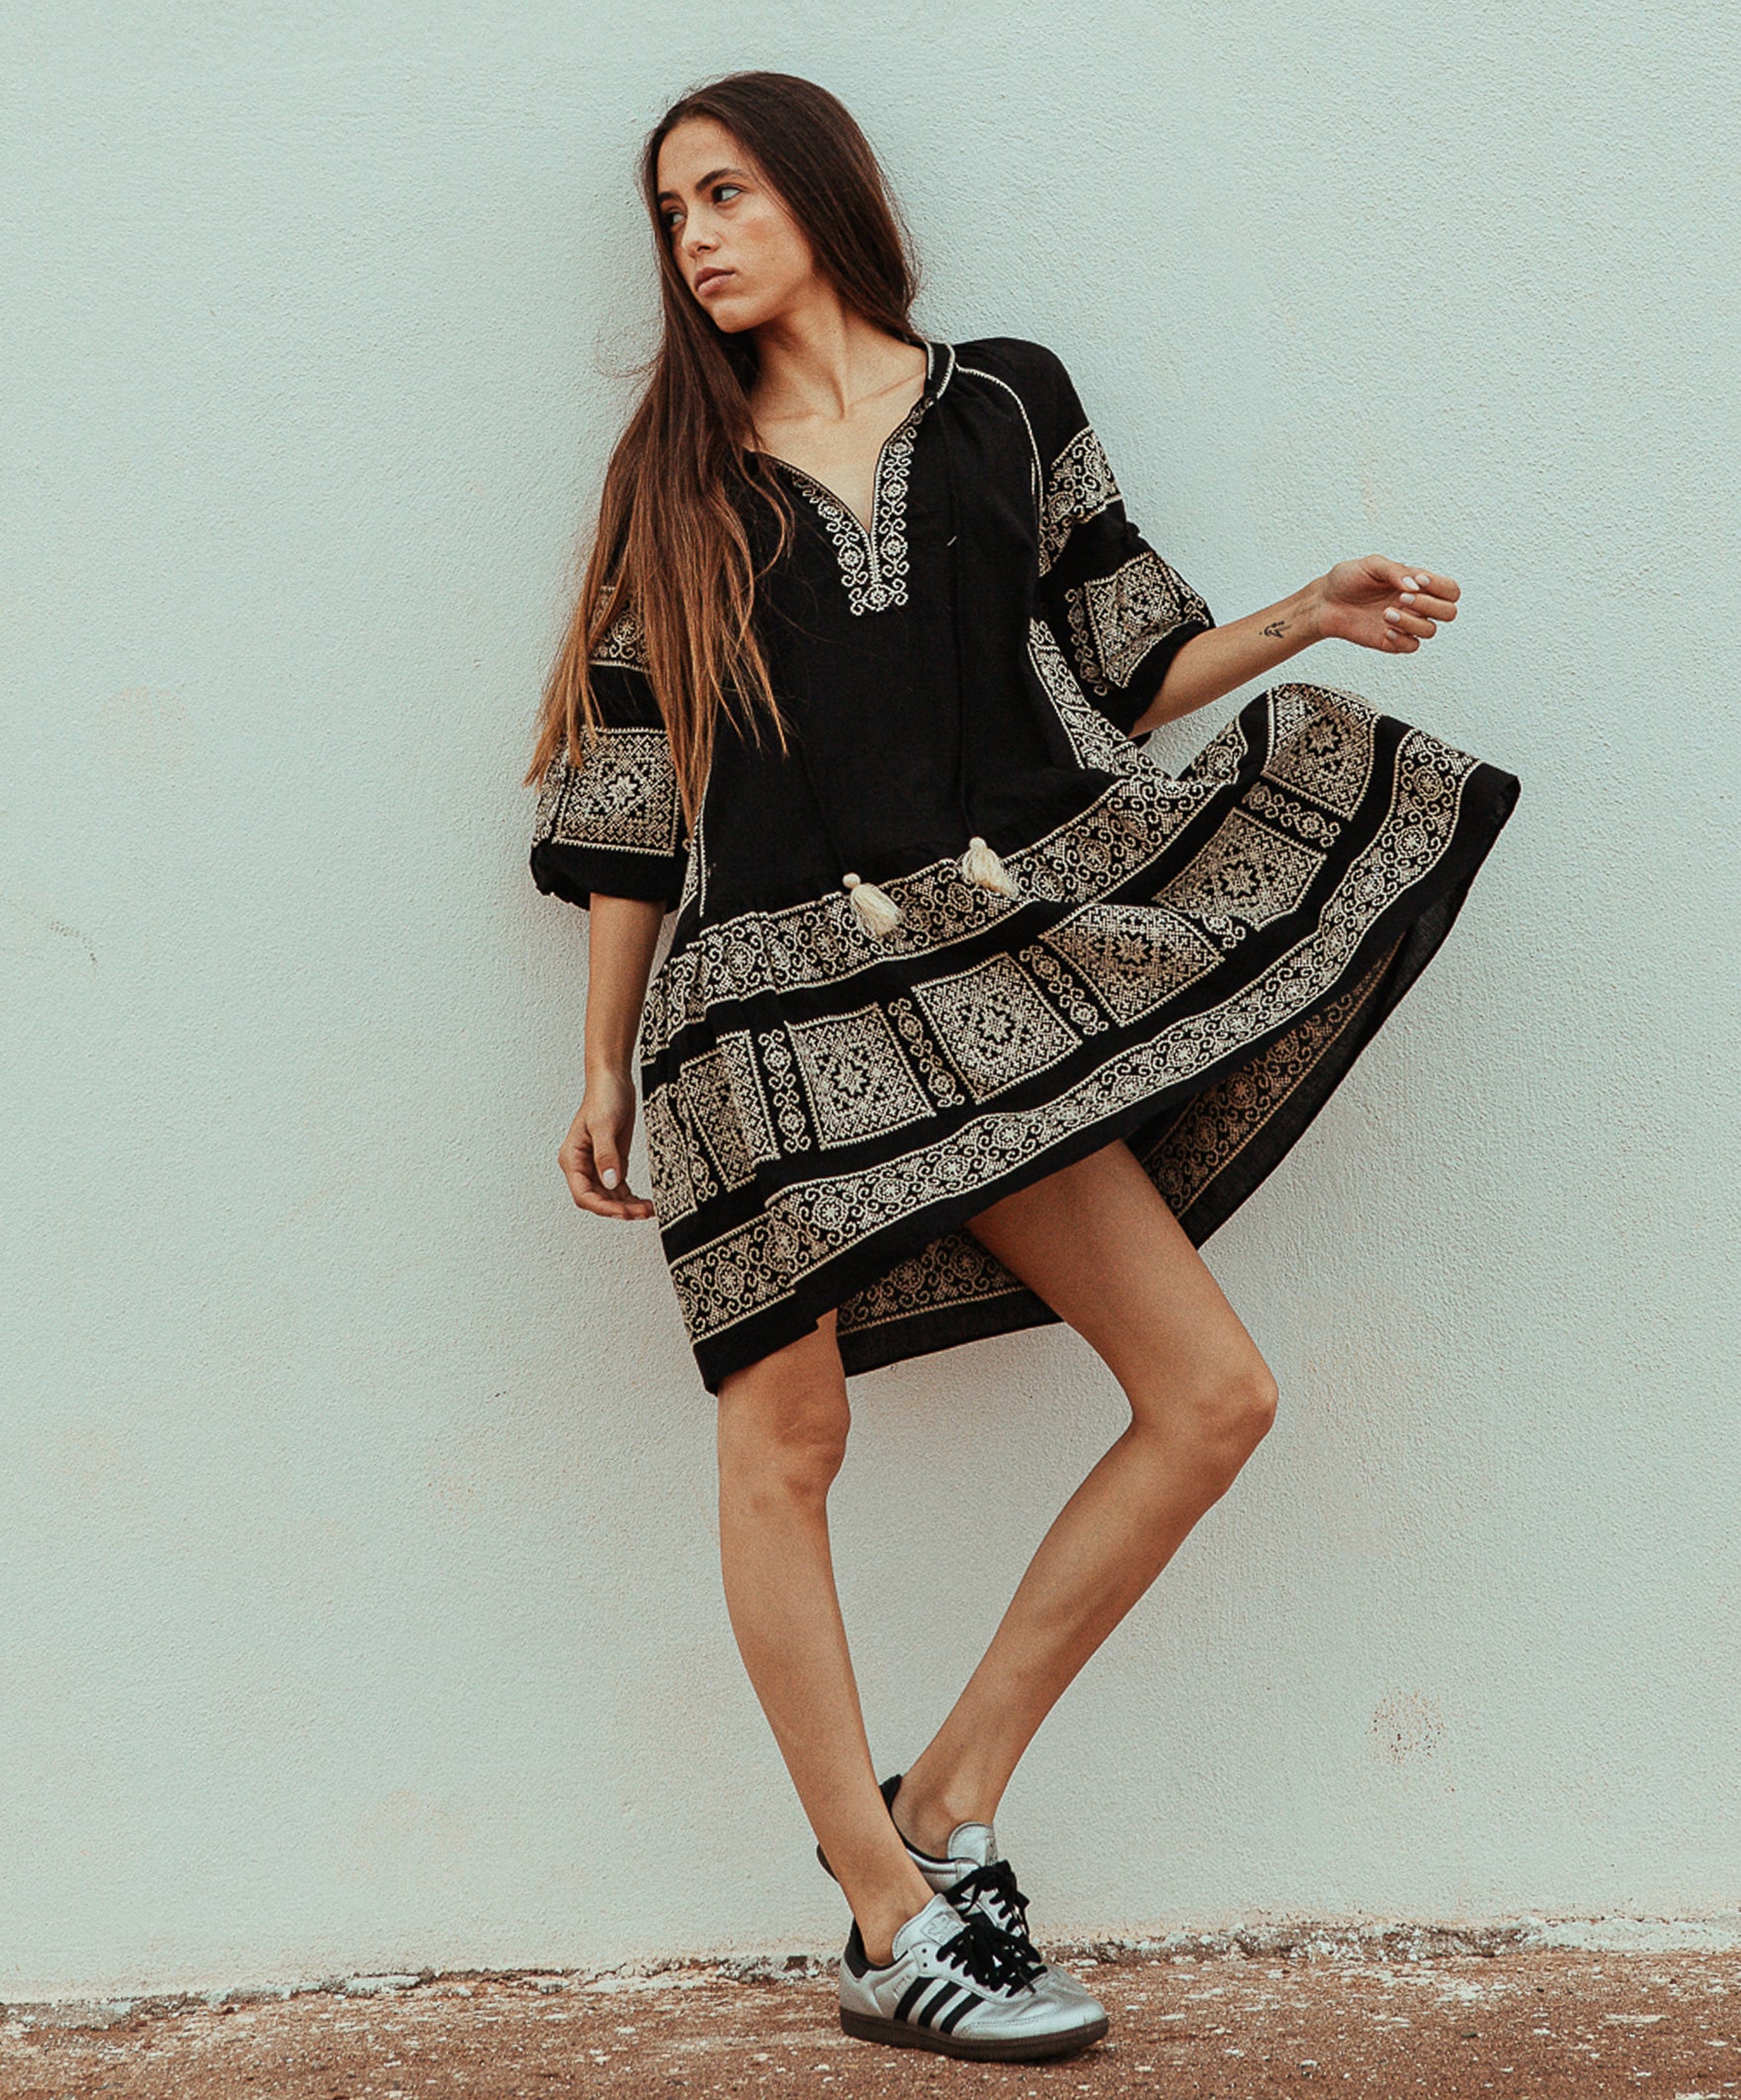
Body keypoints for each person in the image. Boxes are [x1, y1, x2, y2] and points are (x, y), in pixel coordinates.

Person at [523, 69, 1520, 2064]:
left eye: (723, 194)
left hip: (991, 981)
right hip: (768, 1025)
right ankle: (887, 1923)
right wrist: (603, 1061)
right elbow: (635, 799)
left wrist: (1299, 614)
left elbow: (1129, 660)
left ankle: (945, 1798)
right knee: (780, 1444)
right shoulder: (673, 488)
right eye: (670, 217)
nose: (697, 239)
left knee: (1208, 1392)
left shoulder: (1001, 403)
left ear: (818, 193)